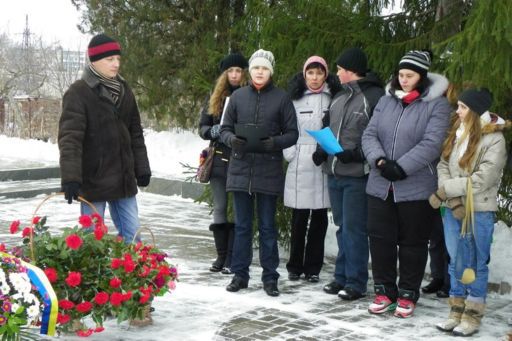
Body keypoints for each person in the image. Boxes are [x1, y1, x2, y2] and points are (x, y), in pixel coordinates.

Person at [362, 50, 452, 318]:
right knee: (380, 240)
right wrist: (379, 161)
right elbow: (369, 134)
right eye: (400, 74)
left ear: (422, 77)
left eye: (409, 75)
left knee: (412, 242)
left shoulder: (437, 105)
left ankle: (408, 293)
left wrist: (401, 167)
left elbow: (432, 143)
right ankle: (384, 291)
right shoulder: (386, 101)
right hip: (380, 185)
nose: (403, 80)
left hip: (415, 186)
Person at [58, 33, 151, 243]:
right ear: (94, 61)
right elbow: (70, 139)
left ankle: (134, 275)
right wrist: (71, 178)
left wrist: (142, 168)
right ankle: (91, 276)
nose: (116, 64)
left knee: (134, 236)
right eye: (110, 59)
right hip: (94, 180)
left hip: (124, 179)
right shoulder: (78, 93)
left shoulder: (125, 90)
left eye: (118, 59)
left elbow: (135, 133)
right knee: (91, 240)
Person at [220, 49, 298, 297]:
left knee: (267, 227)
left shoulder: (282, 98)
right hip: (241, 168)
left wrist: (274, 143)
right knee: (242, 226)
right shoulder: (238, 97)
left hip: (268, 170)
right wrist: (232, 139)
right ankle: (240, 275)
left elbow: (293, 133)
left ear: (270, 71)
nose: (260, 72)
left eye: (264, 68)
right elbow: (224, 129)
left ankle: (270, 277)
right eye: (256, 68)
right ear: (250, 71)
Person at [432, 88, 509, 336]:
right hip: (454, 208)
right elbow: (443, 163)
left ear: (475, 111)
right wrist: (450, 195)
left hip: (479, 209)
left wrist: (445, 192)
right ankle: (456, 311)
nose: (458, 111)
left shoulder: (494, 139)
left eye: (463, 107)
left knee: (476, 262)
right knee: (456, 260)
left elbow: (483, 179)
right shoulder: (458, 133)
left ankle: (473, 315)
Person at [314, 47, 384, 300]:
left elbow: (379, 136)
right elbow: (327, 128)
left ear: (351, 71)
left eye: (341, 69)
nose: (337, 73)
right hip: (334, 173)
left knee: (355, 229)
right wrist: (322, 150)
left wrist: (357, 155)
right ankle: (341, 276)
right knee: (343, 228)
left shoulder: (374, 97)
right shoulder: (340, 97)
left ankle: (356, 282)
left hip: (357, 175)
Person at [283, 56, 340, 283]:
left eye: (319, 73)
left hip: (323, 158)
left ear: (325, 75)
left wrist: (326, 150)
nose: (315, 78)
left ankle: (313, 267)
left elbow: (336, 127)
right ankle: (294, 265)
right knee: (299, 217)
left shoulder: (333, 98)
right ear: (304, 74)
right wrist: (290, 153)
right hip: (300, 159)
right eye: (310, 73)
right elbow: (287, 126)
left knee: (319, 217)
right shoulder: (295, 99)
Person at [199, 52, 248, 274]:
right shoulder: (216, 97)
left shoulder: (249, 95)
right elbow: (202, 128)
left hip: (241, 158)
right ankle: (221, 256)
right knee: (220, 207)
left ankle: (232, 257)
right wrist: (213, 130)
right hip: (218, 158)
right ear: (225, 74)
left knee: (238, 210)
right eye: (231, 71)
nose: (235, 75)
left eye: (238, 71)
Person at [421, 214, 450, 298]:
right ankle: (438, 278)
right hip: (436, 207)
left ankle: (450, 282)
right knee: (435, 243)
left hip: (451, 206)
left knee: (450, 247)